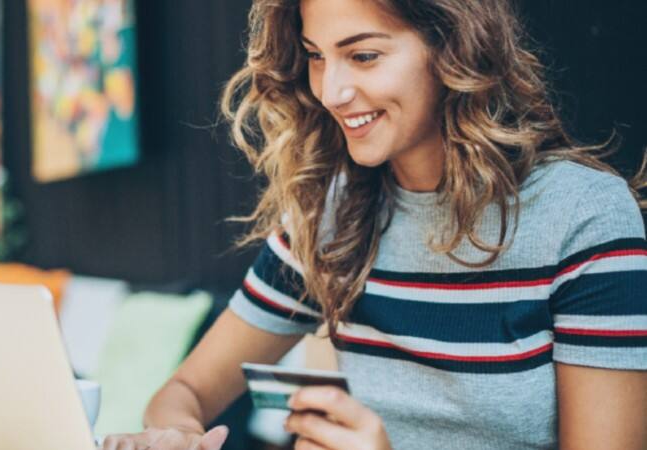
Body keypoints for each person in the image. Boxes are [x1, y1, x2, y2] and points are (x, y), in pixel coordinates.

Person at [101, 0, 647, 448]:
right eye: (316, 56)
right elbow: (186, 389)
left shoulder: (583, 215)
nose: (332, 92)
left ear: (454, 49)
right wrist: (176, 432)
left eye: (362, 56)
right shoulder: (329, 217)